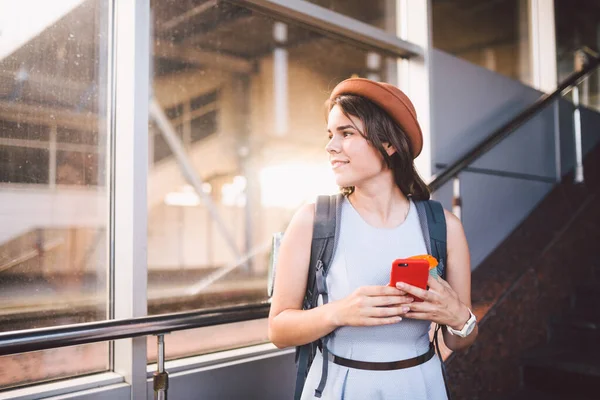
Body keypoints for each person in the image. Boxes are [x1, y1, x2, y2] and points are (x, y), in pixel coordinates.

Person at [268, 78, 478, 399]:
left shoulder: (444, 226)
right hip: (340, 389)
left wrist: (457, 316)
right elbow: (279, 330)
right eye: (330, 134)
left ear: (389, 144)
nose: (330, 146)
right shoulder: (313, 220)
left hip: (420, 387)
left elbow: (460, 339)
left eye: (346, 133)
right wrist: (339, 312)